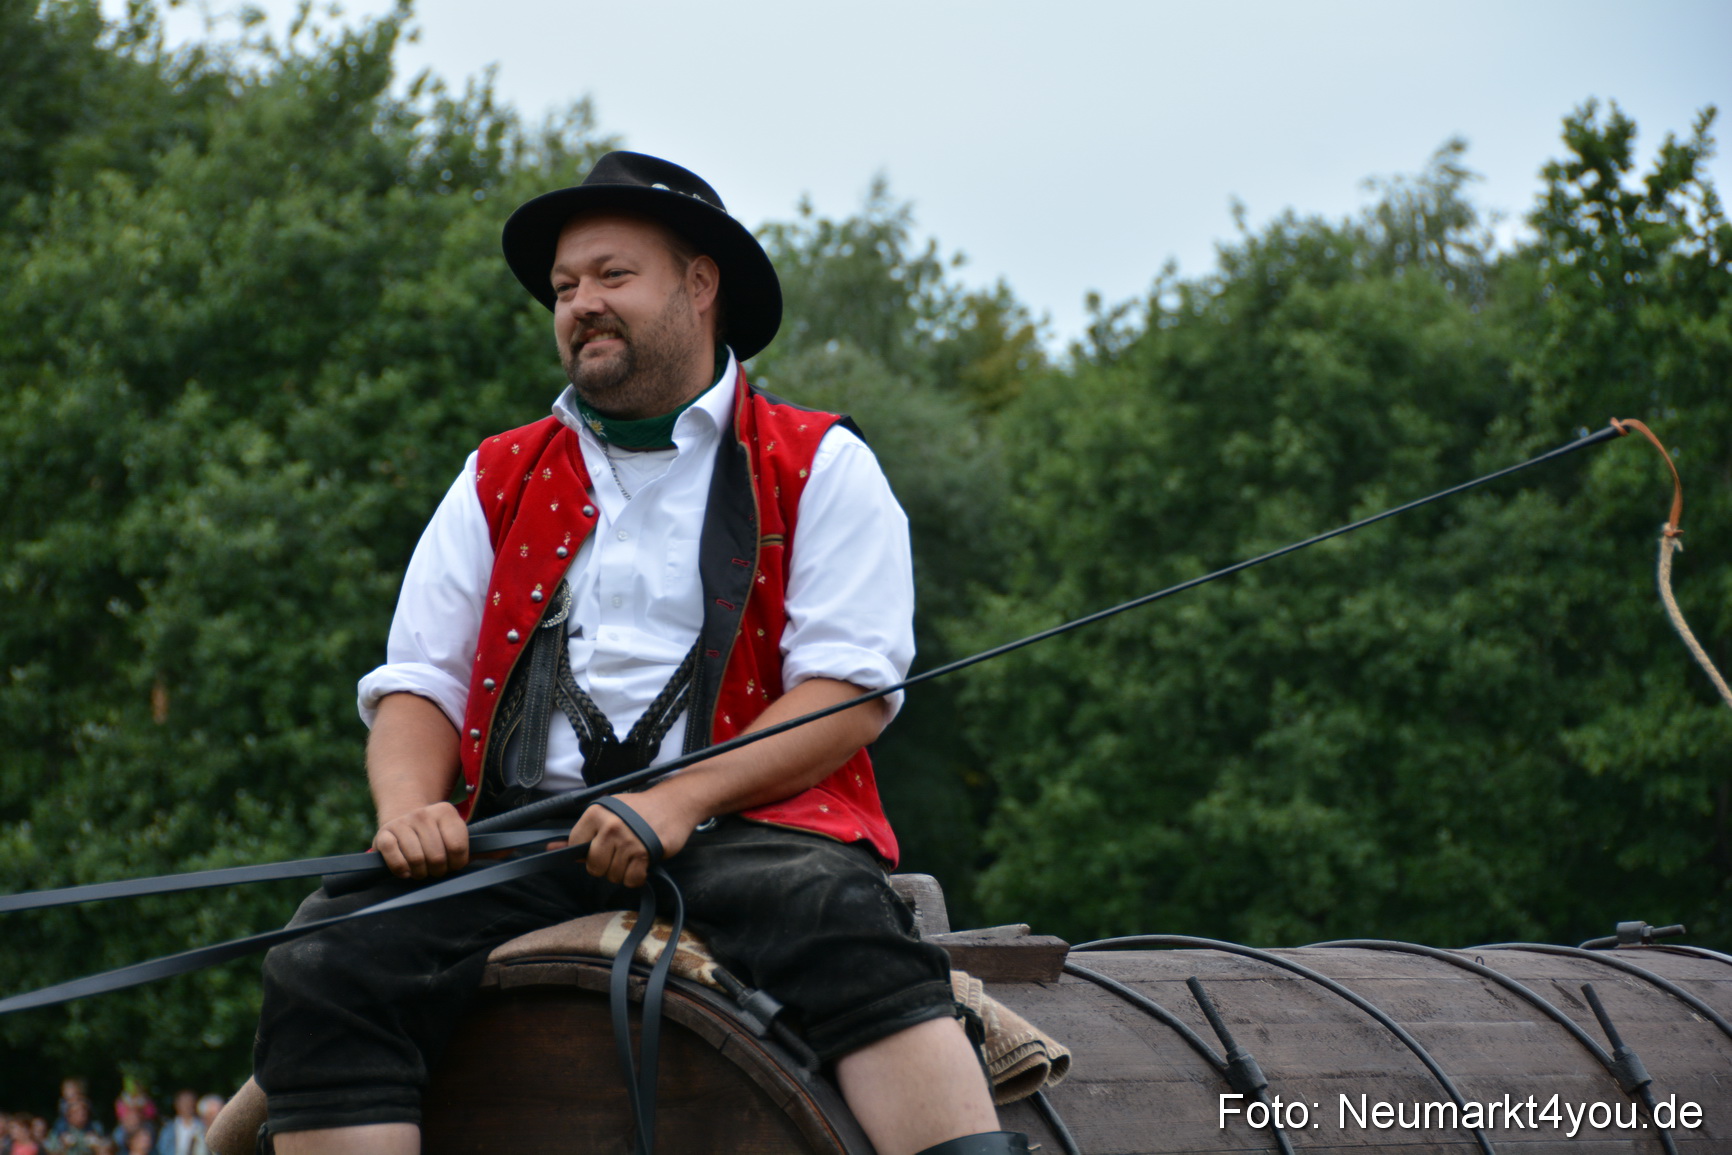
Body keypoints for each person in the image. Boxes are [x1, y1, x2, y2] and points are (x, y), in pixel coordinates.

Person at [249, 152, 1024, 1155]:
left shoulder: (821, 462)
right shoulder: (494, 474)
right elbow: (419, 684)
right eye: (565, 287)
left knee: (835, 920)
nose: (581, 304)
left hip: (752, 835)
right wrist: (409, 812)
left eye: (613, 275)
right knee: (324, 955)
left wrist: (678, 800)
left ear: (701, 286)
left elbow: (850, 690)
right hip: (522, 842)